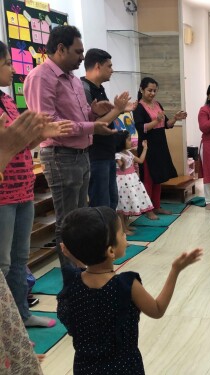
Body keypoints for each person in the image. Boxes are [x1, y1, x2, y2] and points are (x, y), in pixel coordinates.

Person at [23, 25, 133, 285]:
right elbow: (49, 124)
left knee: (79, 217)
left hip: (81, 153)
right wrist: (91, 125)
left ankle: (83, 274)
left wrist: (95, 112)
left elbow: (80, 117)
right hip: (61, 155)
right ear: (60, 49)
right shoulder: (42, 77)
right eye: (78, 51)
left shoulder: (71, 78)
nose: (83, 57)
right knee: (68, 222)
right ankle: (72, 282)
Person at [56, 207, 203, 374]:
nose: (125, 237)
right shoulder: (126, 285)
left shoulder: (72, 283)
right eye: (121, 234)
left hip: (85, 368)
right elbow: (157, 310)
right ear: (111, 251)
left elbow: (81, 270)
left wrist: (75, 255)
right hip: (124, 367)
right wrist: (175, 270)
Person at [0, 40, 73, 331]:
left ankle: (20, 318)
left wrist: (41, 133)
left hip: (22, 190)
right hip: (3, 196)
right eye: (7, 63)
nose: (11, 69)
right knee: (2, 265)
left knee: (19, 259)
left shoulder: (5, 100)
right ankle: (7, 331)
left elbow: (19, 145)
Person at [81, 48, 136, 209]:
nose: (112, 70)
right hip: (95, 155)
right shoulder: (84, 88)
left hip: (107, 153)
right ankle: (103, 235)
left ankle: (112, 234)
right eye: (109, 66)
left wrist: (121, 109)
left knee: (112, 201)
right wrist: (118, 110)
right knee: (101, 204)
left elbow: (104, 117)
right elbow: (94, 126)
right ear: (98, 66)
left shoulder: (99, 87)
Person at [133, 77, 186, 219]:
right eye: (149, 90)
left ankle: (156, 206)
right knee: (148, 179)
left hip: (160, 145)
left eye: (154, 90)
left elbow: (166, 124)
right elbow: (141, 128)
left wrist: (175, 118)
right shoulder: (138, 107)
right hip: (147, 146)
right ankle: (147, 209)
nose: (152, 93)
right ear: (142, 90)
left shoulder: (157, 104)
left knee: (158, 178)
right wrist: (156, 120)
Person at [115, 131, 154, 235]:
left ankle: (126, 225)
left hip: (132, 181)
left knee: (128, 202)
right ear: (121, 141)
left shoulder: (129, 153)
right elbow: (121, 168)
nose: (131, 141)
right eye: (128, 139)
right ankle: (122, 229)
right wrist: (122, 163)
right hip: (123, 182)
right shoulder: (118, 155)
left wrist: (145, 148)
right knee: (122, 206)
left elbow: (140, 160)